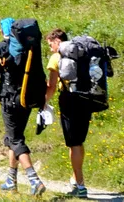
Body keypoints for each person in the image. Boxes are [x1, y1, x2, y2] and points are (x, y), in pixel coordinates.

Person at [0, 17, 48, 196]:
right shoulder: (32, 47)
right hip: (27, 98)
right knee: (14, 136)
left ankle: (34, 179)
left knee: (15, 140)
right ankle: (11, 180)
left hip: (9, 99)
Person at [46, 29, 92, 198]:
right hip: (87, 99)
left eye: (50, 44)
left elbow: (51, 86)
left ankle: (81, 186)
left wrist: (44, 102)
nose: (50, 49)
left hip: (69, 100)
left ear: (57, 41)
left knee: (74, 143)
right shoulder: (82, 53)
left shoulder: (57, 57)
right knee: (79, 142)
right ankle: (75, 178)